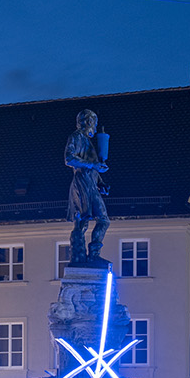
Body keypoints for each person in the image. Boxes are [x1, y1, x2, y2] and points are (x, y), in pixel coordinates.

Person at [64, 109, 110, 264]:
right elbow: (69, 158)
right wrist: (93, 165)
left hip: (90, 184)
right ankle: (85, 255)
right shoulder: (76, 137)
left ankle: (92, 255)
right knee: (85, 221)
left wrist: (100, 183)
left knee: (100, 219)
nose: (95, 128)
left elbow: (92, 167)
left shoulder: (87, 141)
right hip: (82, 183)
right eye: (94, 123)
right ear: (89, 122)